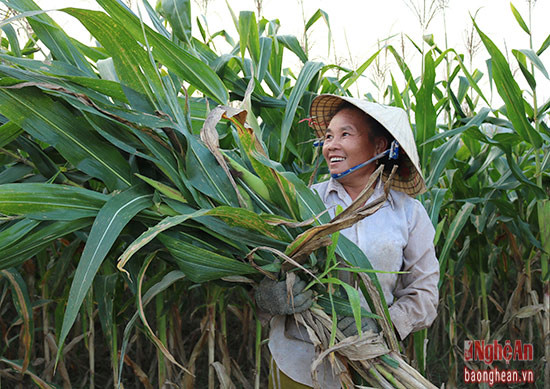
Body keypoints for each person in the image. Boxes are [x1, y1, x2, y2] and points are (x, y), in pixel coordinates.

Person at [254, 94, 439, 388]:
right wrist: (268, 296)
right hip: (299, 364)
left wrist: (384, 324)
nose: (331, 145)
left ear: (379, 146)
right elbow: (266, 266)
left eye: (345, 135)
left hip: (374, 365)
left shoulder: (408, 213)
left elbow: (425, 295)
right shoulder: (302, 201)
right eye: (328, 136)